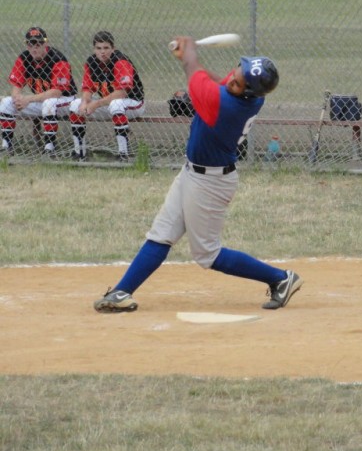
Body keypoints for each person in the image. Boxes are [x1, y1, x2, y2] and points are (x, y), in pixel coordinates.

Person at [94, 37, 302, 313]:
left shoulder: (225, 106)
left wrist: (189, 54)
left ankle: (281, 279)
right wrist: (192, 57)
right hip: (193, 172)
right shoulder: (245, 94)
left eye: (238, 83)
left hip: (211, 182)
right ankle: (121, 292)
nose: (232, 80)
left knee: (207, 254)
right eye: (236, 73)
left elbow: (195, 74)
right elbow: (218, 80)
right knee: (162, 233)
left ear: (249, 93)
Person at [68, 31, 146, 161]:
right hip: (108, 104)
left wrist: (96, 104)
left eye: (106, 48)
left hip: (133, 103)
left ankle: (123, 155)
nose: (102, 52)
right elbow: (87, 88)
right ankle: (79, 153)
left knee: (116, 104)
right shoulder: (91, 62)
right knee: (75, 105)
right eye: (98, 48)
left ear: (113, 48)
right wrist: (85, 102)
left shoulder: (121, 61)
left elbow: (122, 93)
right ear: (94, 49)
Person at [0, 26, 77, 157]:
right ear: (27, 45)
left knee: (50, 103)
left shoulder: (58, 59)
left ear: (46, 44)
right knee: (7, 102)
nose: (34, 47)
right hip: (40, 100)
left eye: (38, 43)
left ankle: (49, 149)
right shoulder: (24, 58)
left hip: (65, 101)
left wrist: (28, 99)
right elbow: (16, 87)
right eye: (30, 44)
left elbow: (56, 93)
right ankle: (6, 147)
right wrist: (17, 99)